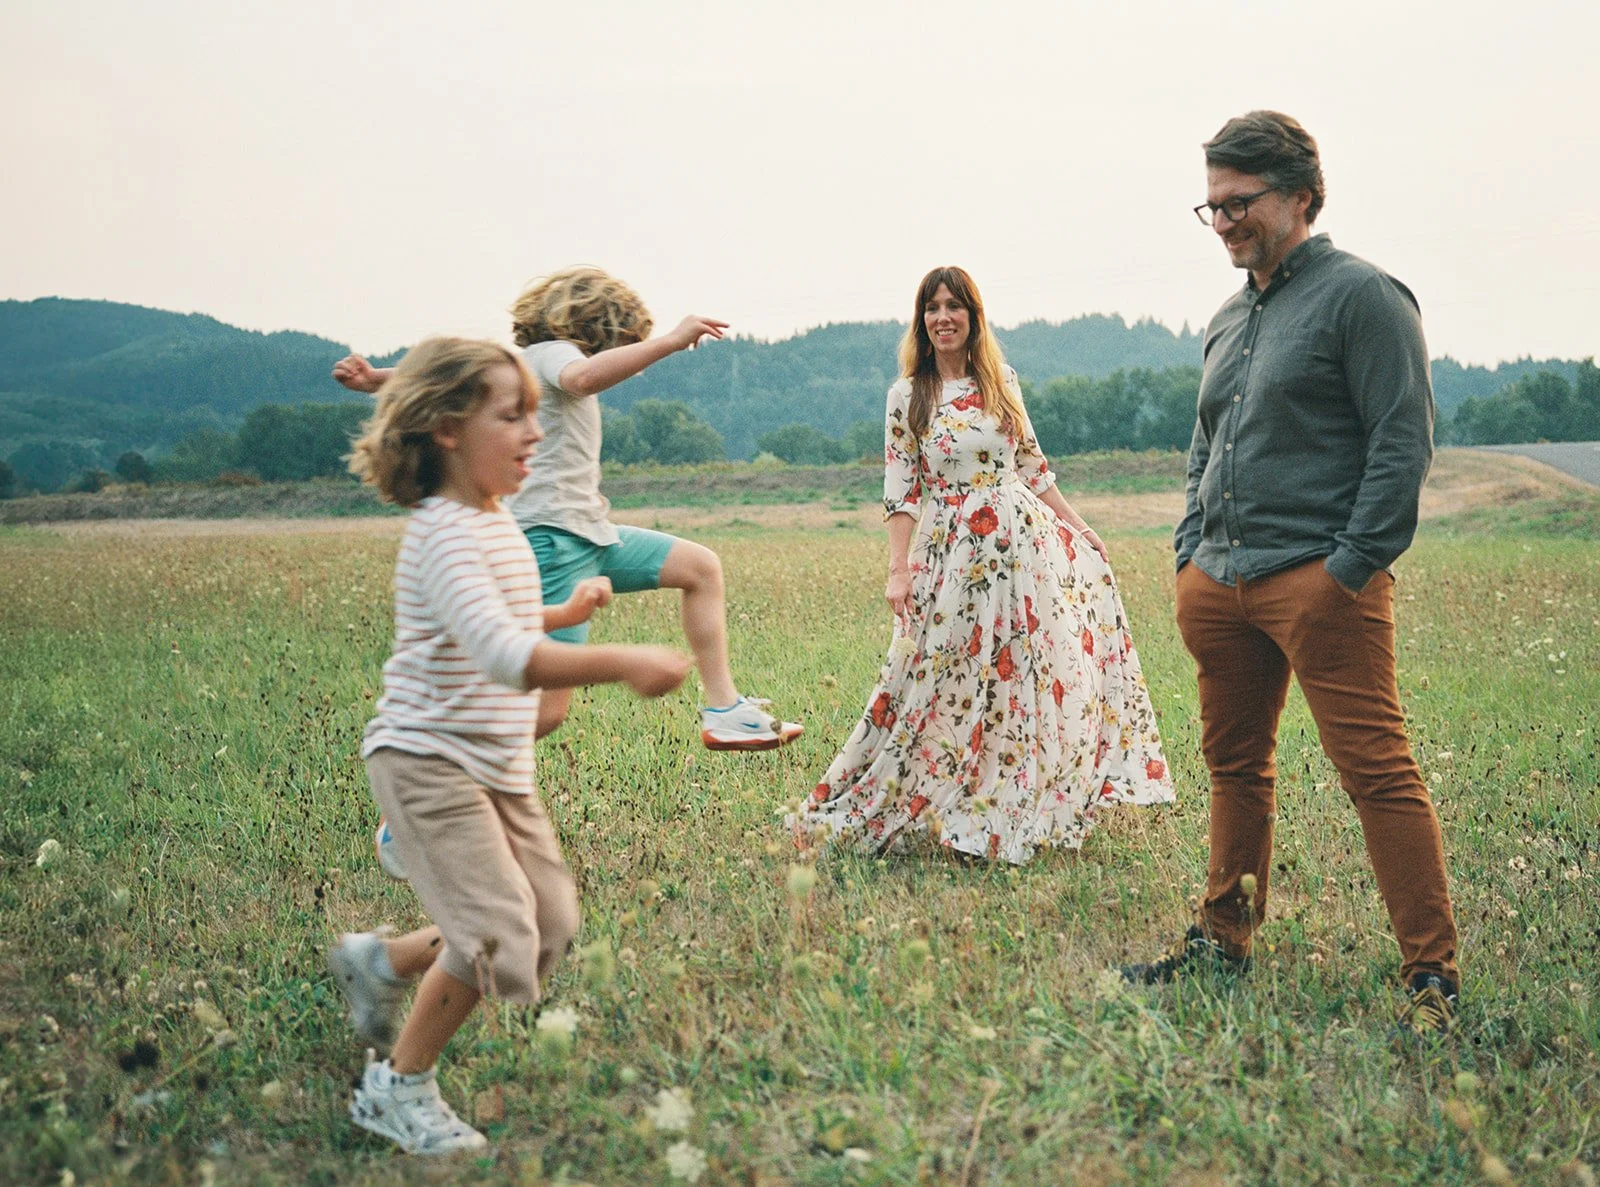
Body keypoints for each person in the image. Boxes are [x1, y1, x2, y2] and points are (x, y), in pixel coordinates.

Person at [1120, 111, 1460, 1038]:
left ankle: (1432, 975)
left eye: (1241, 203)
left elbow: (1402, 440)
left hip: (1321, 582)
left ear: (1302, 195)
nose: (1225, 221)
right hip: (1218, 582)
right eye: (1212, 205)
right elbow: (1207, 441)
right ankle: (1223, 941)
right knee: (1235, 767)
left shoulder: (1365, 298)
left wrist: (1349, 567)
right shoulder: (1229, 317)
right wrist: (1189, 549)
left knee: (1377, 772)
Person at [328, 337, 691, 1154]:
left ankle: (380, 960)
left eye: (537, 411)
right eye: (513, 414)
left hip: (495, 763)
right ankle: (398, 1086)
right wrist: (621, 659)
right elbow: (502, 653)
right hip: (428, 760)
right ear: (449, 428)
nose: (536, 431)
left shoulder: (496, 521)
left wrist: (568, 611)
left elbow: (507, 624)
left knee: (549, 924)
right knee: (495, 935)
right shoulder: (446, 531)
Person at [791, 266, 1173, 863]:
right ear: (921, 320)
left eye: (954, 306)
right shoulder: (906, 396)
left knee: (1020, 678)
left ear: (973, 316)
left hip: (1020, 553)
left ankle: (1000, 806)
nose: (942, 317)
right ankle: (925, 794)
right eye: (932, 307)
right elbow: (901, 490)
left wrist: (1081, 527)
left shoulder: (1001, 381)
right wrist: (899, 569)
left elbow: (1032, 465)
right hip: (951, 554)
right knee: (939, 676)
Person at [333, 266, 801, 752]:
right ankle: (426, 757)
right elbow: (582, 378)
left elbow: (450, 381)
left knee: (699, 567)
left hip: (589, 532)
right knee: (545, 711)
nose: (631, 360)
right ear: (600, 326)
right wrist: (670, 341)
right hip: (554, 538)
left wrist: (377, 381)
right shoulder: (558, 354)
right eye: (626, 343)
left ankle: (723, 708)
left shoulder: (521, 363)